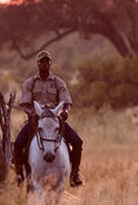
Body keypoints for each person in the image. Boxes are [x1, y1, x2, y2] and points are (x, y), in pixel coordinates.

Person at [13, 50, 85, 187]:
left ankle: (74, 174)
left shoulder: (58, 82)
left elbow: (66, 102)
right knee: (17, 144)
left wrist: (65, 112)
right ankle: (20, 174)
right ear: (37, 64)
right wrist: (33, 114)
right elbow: (25, 104)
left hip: (55, 120)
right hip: (36, 120)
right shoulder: (30, 83)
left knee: (77, 142)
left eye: (47, 62)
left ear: (50, 64)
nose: (44, 64)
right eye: (42, 62)